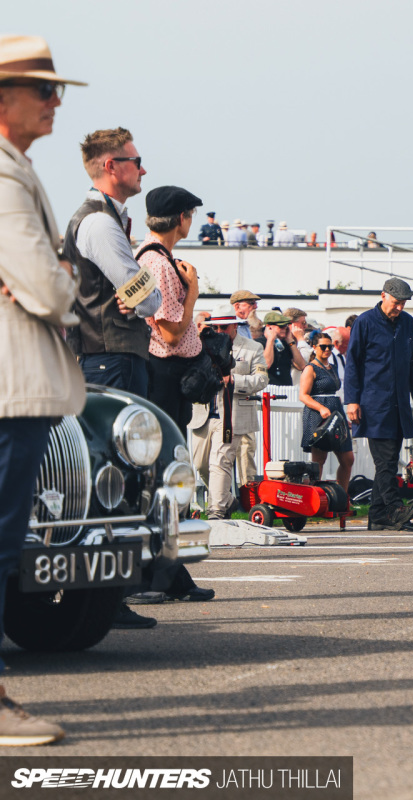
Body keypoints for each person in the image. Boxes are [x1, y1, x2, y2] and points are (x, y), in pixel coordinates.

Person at [0, 35, 87, 745]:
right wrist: (56, 290)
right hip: (10, 382)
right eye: (43, 90)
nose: (55, 101)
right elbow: (46, 285)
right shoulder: (3, 173)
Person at [63, 127, 162, 397]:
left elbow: (138, 295)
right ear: (111, 166)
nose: (143, 171)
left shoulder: (101, 218)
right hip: (111, 361)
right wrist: (147, 292)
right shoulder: (100, 223)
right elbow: (148, 301)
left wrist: (139, 293)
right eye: (137, 162)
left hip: (106, 360)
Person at [345, 278, 413, 530]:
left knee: (389, 462)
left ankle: (378, 517)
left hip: (400, 403)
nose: (399, 308)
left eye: (403, 304)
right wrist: (352, 401)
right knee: (386, 460)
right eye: (396, 302)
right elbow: (353, 363)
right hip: (373, 403)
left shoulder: (409, 324)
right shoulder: (365, 322)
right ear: (383, 296)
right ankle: (394, 507)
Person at [189, 308, 268, 518]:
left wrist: (233, 381)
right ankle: (228, 500)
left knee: (220, 461)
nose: (218, 331)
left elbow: (261, 380)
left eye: (223, 327)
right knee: (201, 465)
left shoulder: (252, 348)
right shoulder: (201, 345)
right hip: (203, 415)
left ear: (235, 326)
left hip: (232, 416)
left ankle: (217, 509)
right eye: (214, 327)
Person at [137, 185, 204, 432]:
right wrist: (193, 293)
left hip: (162, 371)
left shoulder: (150, 257)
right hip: (164, 372)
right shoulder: (160, 265)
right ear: (180, 218)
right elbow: (171, 335)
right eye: (190, 215)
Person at [298, 332, 354, 491]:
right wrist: (321, 408)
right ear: (314, 347)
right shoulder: (310, 368)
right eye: (323, 346)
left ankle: (341, 496)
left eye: (330, 346)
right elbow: (303, 395)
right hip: (318, 414)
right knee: (319, 460)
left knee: (347, 459)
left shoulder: (333, 367)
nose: (328, 349)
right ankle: (314, 498)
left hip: (335, 412)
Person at [262, 309, 305, 386]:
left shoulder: (286, 344)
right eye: (281, 326)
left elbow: (301, 366)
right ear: (269, 327)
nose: (284, 329)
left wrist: (290, 341)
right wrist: (270, 340)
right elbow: (266, 364)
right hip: (268, 388)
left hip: (286, 389)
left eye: (286, 326)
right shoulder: (259, 343)